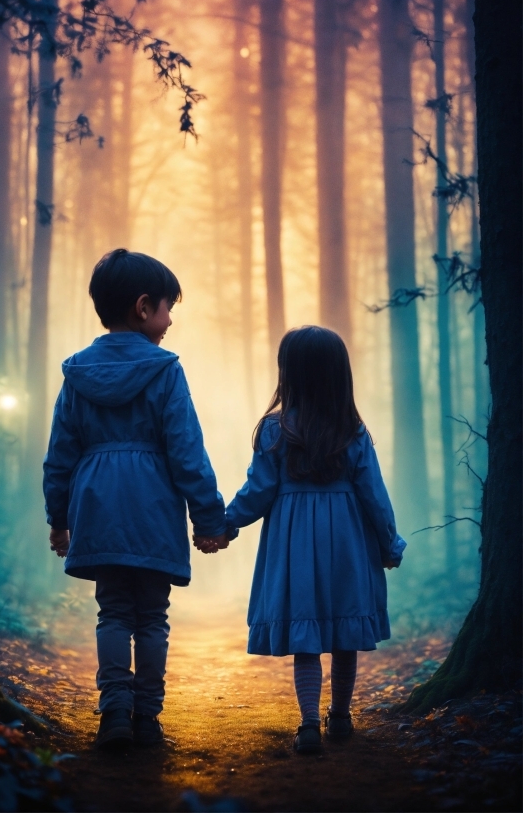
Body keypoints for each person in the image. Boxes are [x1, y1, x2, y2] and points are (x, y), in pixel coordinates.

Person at [44, 249, 228, 750]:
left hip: (98, 507)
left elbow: (60, 454)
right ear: (144, 308)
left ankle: (114, 715)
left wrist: (58, 519)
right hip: (151, 508)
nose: (170, 321)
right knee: (151, 615)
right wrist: (208, 518)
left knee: (112, 612)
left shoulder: (78, 373)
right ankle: (147, 717)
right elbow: (187, 452)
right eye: (168, 308)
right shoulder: (165, 370)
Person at [196, 326, 406, 753]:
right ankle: (341, 717)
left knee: (306, 635)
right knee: (345, 632)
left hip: (296, 546)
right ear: (338, 375)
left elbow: (257, 492)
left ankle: (309, 723)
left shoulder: (276, 431)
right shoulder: (353, 432)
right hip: (348, 542)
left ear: (288, 374)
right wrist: (389, 544)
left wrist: (223, 526)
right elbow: (374, 496)